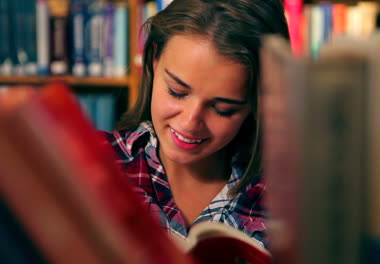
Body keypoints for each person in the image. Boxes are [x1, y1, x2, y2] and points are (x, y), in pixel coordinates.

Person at [102, 0, 289, 248]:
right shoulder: (92, 160)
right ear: (155, 58)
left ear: (256, 103)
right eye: (177, 92)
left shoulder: (289, 199)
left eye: (223, 109)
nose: (190, 123)